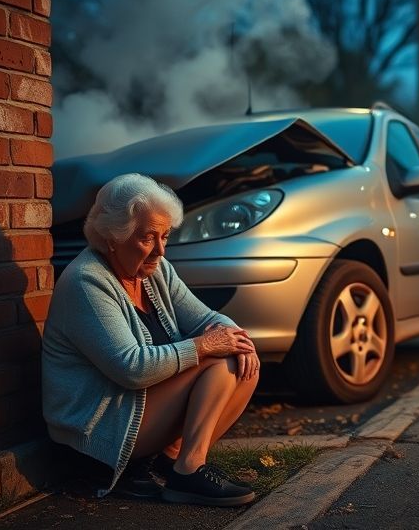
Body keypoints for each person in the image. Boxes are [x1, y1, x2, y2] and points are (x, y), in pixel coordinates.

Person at [42, 173, 260, 506]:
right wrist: (204, 346)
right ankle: (187, 472)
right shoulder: (86, 282)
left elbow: (207, 319)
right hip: (96, 432)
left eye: (165, 236)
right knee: (219, 361)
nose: (160, 250)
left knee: (244, 363)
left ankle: (176, 463)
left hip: (137, 411)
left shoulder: (155, 270)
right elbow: (131, 368)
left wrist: (238, 337)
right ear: (113, 237)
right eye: (147, 237)